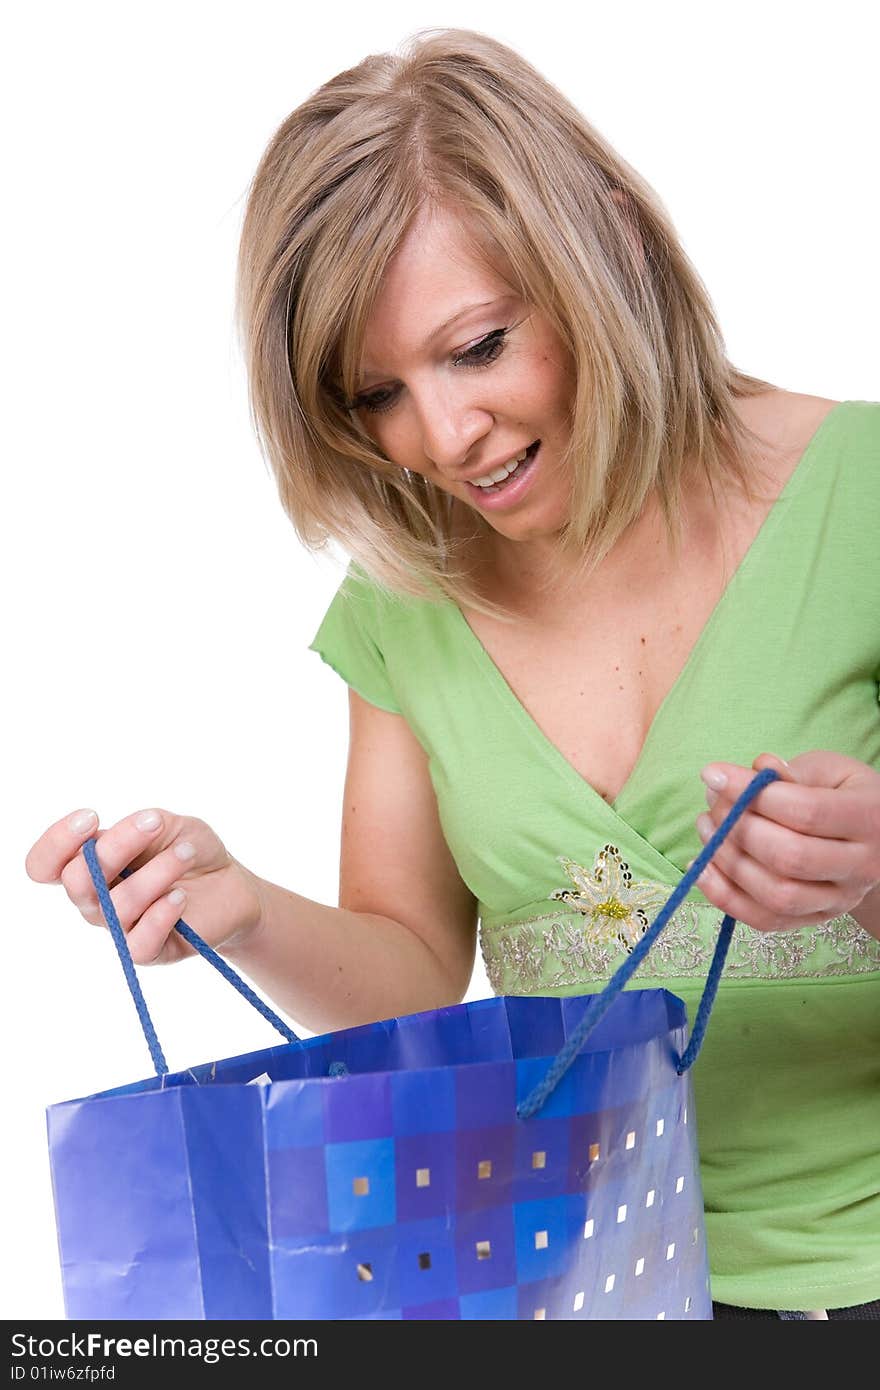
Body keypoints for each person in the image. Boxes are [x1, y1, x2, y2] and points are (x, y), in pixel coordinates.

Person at [24, 28, 880, 1320]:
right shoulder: (405, 595)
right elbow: (416, 965)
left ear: (612, 250)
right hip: (572, 1290)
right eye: (378, 393)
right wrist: (237, 903)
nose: (441, 436)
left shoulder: (859, 495)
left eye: (478, 346)